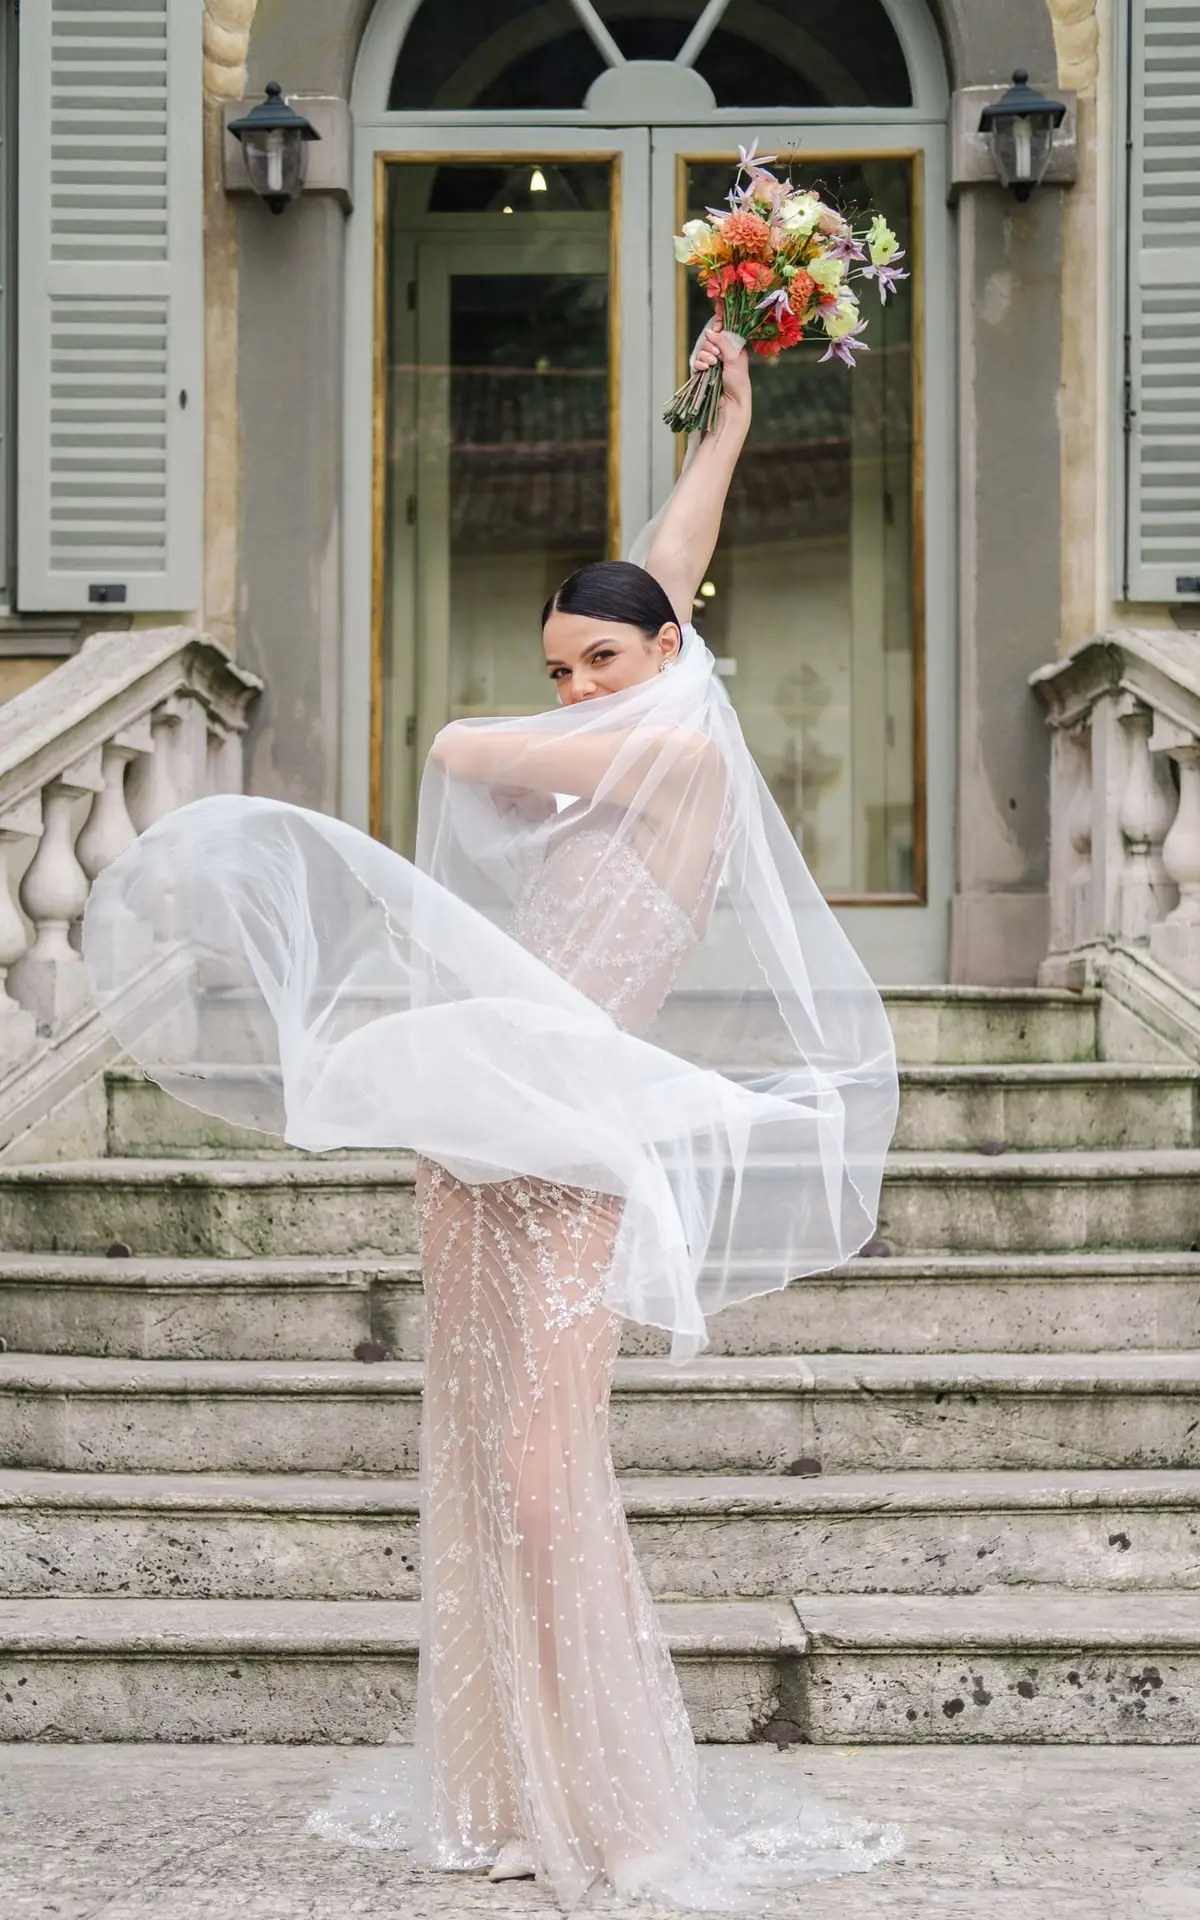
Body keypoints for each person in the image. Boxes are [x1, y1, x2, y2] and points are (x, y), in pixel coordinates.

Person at [81, 324, 901, 1912]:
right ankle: (514, 1792)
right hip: (465, 1128)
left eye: (601, 663)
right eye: (559, 670)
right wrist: (727, 428)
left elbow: (468, 743)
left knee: (544, 1481)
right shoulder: (647, 699)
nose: (578, 687)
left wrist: (520, 728)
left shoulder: (678, 756)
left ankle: (624, 1810)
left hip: (571, 1142)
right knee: (468, 1467)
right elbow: (668, 565)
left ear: (671, 663)